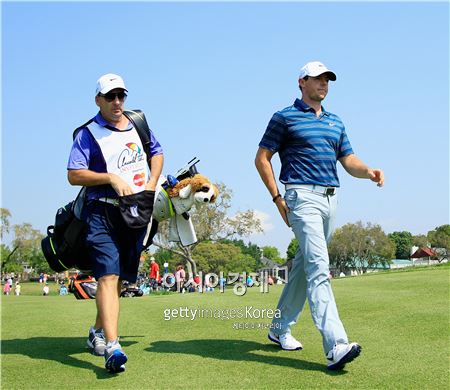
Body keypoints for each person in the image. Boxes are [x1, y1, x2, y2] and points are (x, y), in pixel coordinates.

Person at [255, 61, 384, 371]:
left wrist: (367, 171)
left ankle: (279, 328)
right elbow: (262, 158)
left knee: (303, 264)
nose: (324, 84)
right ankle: (336, 344)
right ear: (302, 82)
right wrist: (276, 198)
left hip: (330, 199)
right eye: (318, 79)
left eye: (327, 79)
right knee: (318, 267)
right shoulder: (284, 117)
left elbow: (347, 159)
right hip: (300, 197)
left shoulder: (335, 122)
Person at [67, 73, 164, 373]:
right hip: (102, 212)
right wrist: (109, 177)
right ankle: (113, 345)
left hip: (135, 210)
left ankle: (96, 332)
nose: (117, 101)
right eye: (110, 97)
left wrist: (151, 184)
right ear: (98, 100)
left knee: (121, 280)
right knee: (107, 277)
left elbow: (156, 152)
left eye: (121, 95)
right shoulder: (87, 133)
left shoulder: (137, 123)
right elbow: (74, 174)